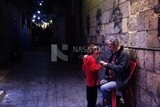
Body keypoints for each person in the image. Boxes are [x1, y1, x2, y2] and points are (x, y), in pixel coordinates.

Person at [99, 37, 130, 106]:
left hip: (120, 80)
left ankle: (110, 104)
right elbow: (112, 65)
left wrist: (107, 65)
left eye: (110, 46)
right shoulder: (115, 53)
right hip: (114, 77)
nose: (108, 48)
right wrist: (106, 65)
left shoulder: (124, 55)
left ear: (115, 45)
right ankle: (113, 99)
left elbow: (121, 68)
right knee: (98, 83)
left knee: (103, 88)